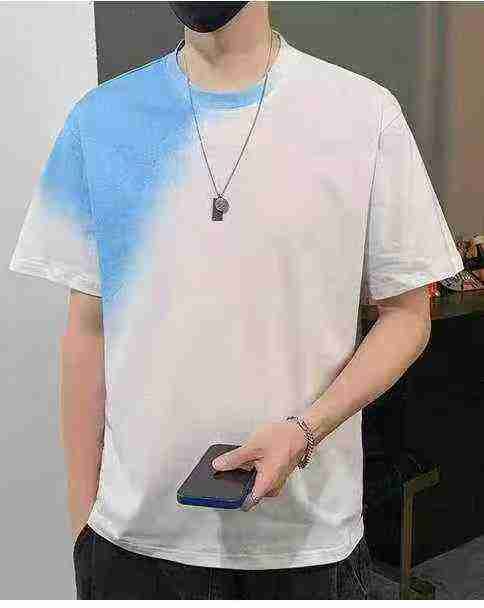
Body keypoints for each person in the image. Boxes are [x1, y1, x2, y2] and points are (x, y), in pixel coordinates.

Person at [9, 1, 464, 600]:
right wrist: (82, 526)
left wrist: (306, 430)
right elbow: (87, 329)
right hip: (130, 543)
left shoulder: (363, 114)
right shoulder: (101, 119)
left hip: (304, 542)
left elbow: (407, 315)